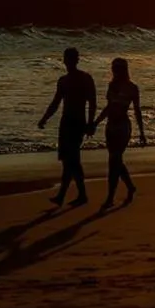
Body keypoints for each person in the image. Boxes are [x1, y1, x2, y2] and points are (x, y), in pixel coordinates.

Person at [38, 47, 96, 207]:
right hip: (66, 123)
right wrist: (44, 118)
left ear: (76, 60)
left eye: (70, 59)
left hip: (78, 123)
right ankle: (68, 195)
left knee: (73, 159)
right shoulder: (63, 80)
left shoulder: (85, 78)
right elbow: (56, 102)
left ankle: (73, 195)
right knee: (67, 160)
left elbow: (92, 102)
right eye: (66, 59)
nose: (68, 62)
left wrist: (90, 123)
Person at [93, 57, 145, 210]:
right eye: (113, 68)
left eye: (117, 68)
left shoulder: (132, 88)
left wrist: (142, 132)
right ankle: (130, 186)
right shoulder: (112, 85)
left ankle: (110, 197)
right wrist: (96, 122)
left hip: (123, 127)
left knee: (114, 161)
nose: (114, 71)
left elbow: (137, 111)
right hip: (110, 126)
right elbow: (108, 107)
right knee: (115, 160)